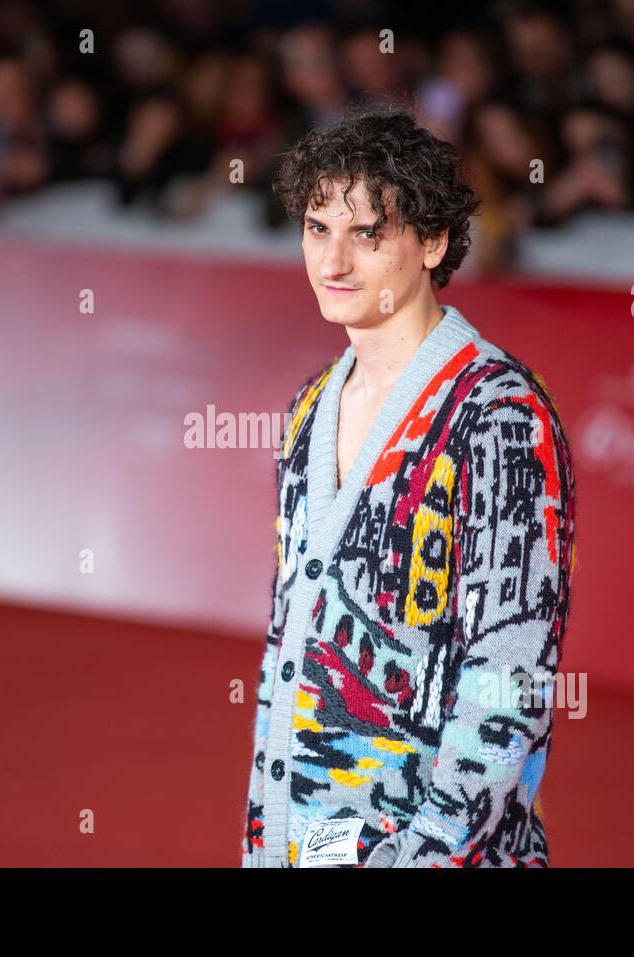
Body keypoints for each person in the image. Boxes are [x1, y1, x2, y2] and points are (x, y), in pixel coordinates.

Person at [241, 104, 578, 868]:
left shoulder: (499, 415)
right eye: (317, 227)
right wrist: (264, 839)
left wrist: (428, 854)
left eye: (368, 233)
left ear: (431, 241)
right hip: (306, 841)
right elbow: (285, 639)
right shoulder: (307, 407)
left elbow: (508, 671)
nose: (334, 261)